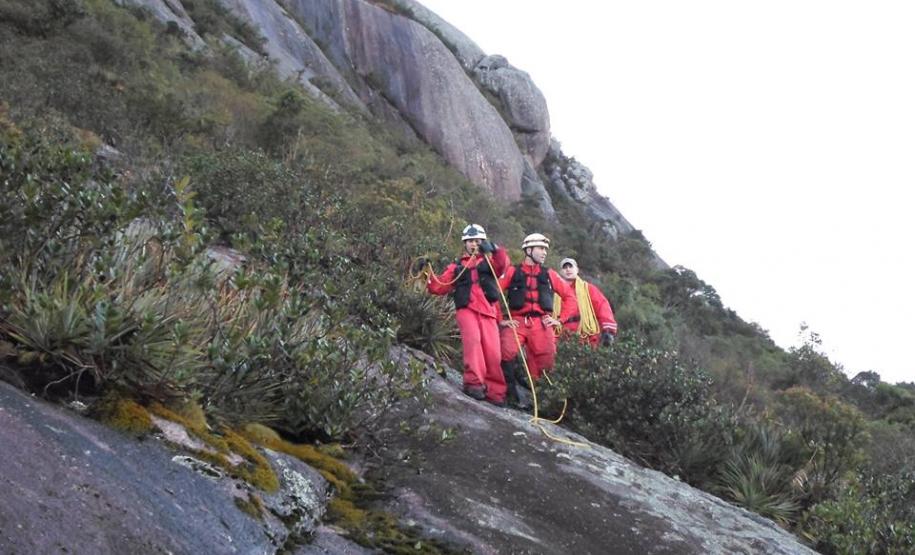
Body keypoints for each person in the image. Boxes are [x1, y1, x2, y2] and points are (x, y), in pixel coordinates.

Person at [427, 224, 510, 406]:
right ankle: (474, 384)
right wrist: (427, 274)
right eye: (470, 241)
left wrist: (495, 249)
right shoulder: (456, 267)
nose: (474, 244)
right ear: (465, 243)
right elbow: (439, 286)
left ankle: (496, 392)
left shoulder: (489, 263)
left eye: (478, 241)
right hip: (467, 310)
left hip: (488, 312)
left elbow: (503, 265)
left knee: (493, 353)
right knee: (473, 344)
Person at [497, 233, 576, 408]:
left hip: (542, 323)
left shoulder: (550, 274)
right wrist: (500, 320)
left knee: (546, 360)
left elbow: (570, 297)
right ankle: (508, 395)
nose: (544, 252)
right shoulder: (512, 271)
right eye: (541, 248)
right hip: (517, 321)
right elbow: (493, 293)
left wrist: (560, 320)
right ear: (528, 250)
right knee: (505, 352)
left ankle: (540, 403)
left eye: (545, 249)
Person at [555, 257, 618, 348]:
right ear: (560, 272)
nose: (568, 269)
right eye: (565, 268)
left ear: (577, 270)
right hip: (561, 337)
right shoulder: (554, 292)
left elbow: (602, 307)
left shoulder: (588, 289)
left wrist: (608, 330)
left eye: (570, 267)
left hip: (585, 337)